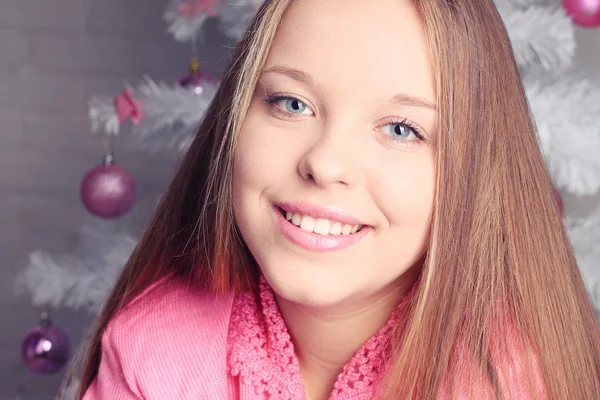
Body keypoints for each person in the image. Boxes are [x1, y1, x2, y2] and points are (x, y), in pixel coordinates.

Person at [74, 0, 600, 399]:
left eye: (400, 128)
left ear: (475, 176)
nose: (325, 163)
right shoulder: (149, 348)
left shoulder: (516, 381)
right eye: (291, 102)